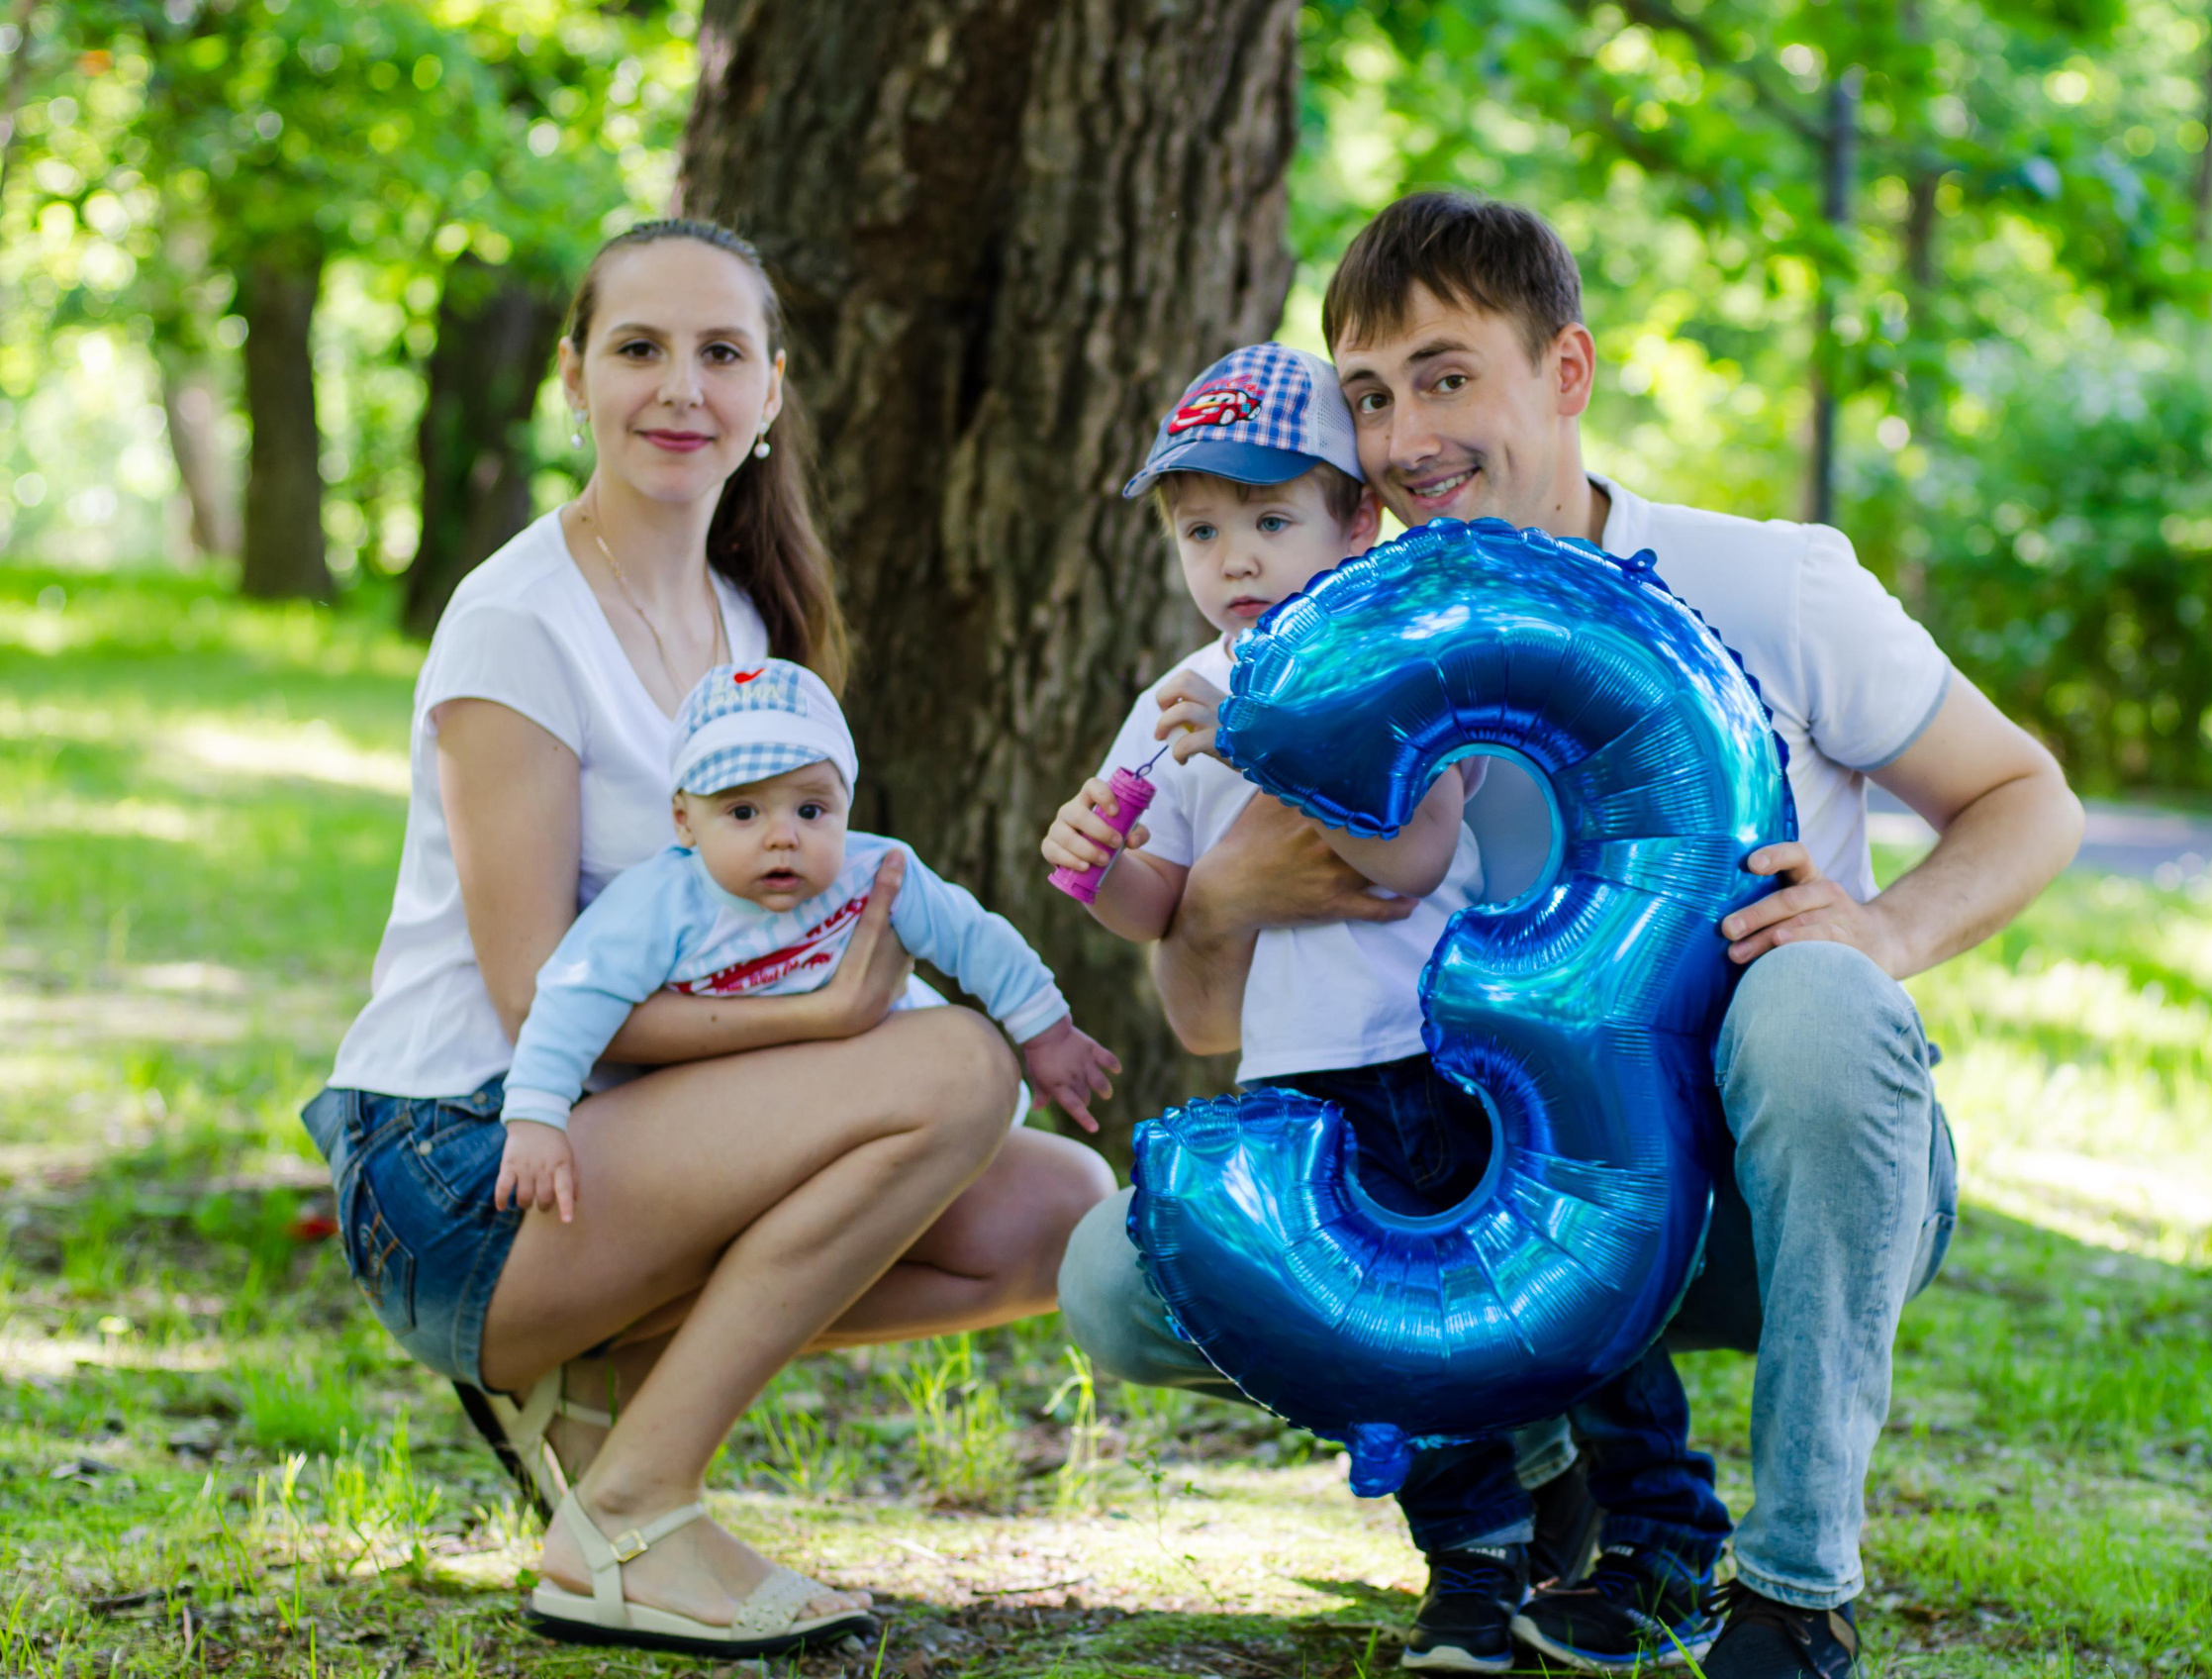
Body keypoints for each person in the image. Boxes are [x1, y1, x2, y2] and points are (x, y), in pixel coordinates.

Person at [1059, 192, 2084, 1678]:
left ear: (1567, 373)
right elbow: (1213, 1025)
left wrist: (1881, 927)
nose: (1407, 434)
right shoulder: (1330, 654)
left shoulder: (1767, 582)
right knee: (1115, 1276)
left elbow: (2025, 797)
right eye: (1370, 394)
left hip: (1753, 1199)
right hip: (1488, 1188)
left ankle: (1797, 1590)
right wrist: (1218, 895)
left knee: (1816, 1000)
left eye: (1447, 375)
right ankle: (1541, 1466)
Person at [302, 218, 1115, 1659]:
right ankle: (630, 1515)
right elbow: (530, 995)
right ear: (574, 380)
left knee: (1060, 1212)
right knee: (950, 1073)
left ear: (771, 394)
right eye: (639, 349)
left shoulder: (749, 624)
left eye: (719, 353)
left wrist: (864, 1015)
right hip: (464, 1158)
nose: (681, 387)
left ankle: (601, 1377)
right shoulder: (517, 626)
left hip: (634, 1143)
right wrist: (826, 1032)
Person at [1050, 344, 1727, 1672]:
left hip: (1447, 1062)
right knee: (1396, 1340)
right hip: (1305, 1082)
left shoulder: (1405, 659)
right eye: (1200, 530)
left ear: (1355, 519)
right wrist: (1096, 863)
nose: (1233, 557)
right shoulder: (1173, 699)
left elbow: (1404, 859)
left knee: (1570, 1308)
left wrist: (1255, 738)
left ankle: (1666, 1532)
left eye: (1268, 519)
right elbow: (1169, 903)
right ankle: (1473, 1568)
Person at [493, 657, 1118, 1224]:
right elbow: (574, 995)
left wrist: (1047, 1032)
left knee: (970, 1091)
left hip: (876, 1078)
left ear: (847, 803)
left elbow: (975, 939)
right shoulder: (658, 907)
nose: (782, 836)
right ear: (685, 820)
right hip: (723, 1103)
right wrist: (536, 1116)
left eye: (811, 810)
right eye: (743, 812)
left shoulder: (875, 873)